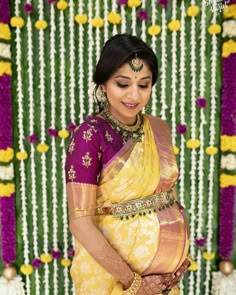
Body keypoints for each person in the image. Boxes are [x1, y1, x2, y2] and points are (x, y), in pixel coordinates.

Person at [65, 34, 191, 295]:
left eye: (144, 85)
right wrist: (134, 283)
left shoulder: (158, 129)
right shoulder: (90, 135)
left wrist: (179, 256)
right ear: (103, 83)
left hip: (163, 278)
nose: (134, 95)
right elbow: (80, 222)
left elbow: (168, 195)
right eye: (123, 84)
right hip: (112, 279)